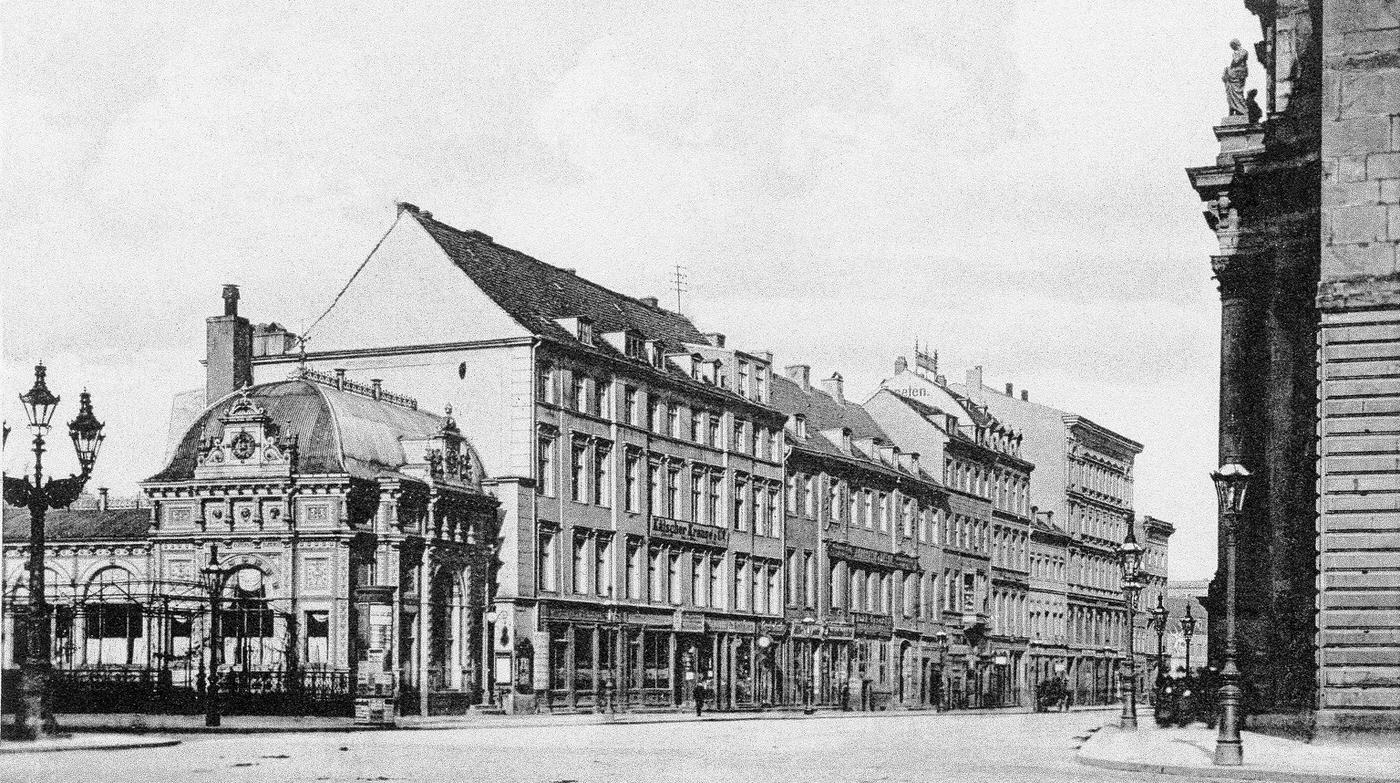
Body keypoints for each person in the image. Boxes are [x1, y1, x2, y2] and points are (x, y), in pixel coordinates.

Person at [1223, 39, 1249, 116]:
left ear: (1236, 44)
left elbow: (1236, 61)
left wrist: (1235, 55)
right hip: (1234, 75)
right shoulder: (1236, 52)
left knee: (1238, 93)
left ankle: (1241, 110)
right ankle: (1234, 109)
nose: (1232, 48)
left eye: (1233, 46)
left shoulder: (1243, 51)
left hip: (1239, 74)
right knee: (1230, 93)